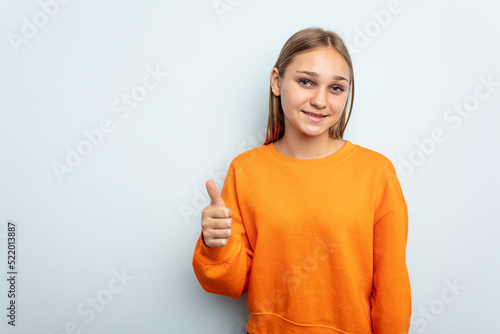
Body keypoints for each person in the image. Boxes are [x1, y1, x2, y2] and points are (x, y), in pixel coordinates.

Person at [192, 27, 411, 334]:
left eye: (336, 88)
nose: (320, 100)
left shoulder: (376, 172)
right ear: (277, 81)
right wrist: (215, 244)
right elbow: (231, 285)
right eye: (306, 81)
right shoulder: (246, 170)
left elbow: (391, 285)